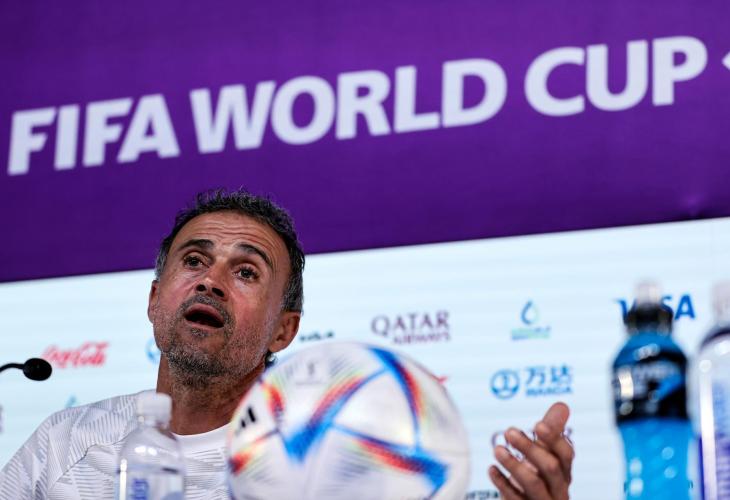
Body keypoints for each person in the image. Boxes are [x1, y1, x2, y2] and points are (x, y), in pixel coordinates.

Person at [0, 189, 573, 499]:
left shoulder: (336, 456)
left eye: (246, 272)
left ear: (284, 330)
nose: (210, 281)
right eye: (194, 260)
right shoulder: (64, 443)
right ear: (154, 299)